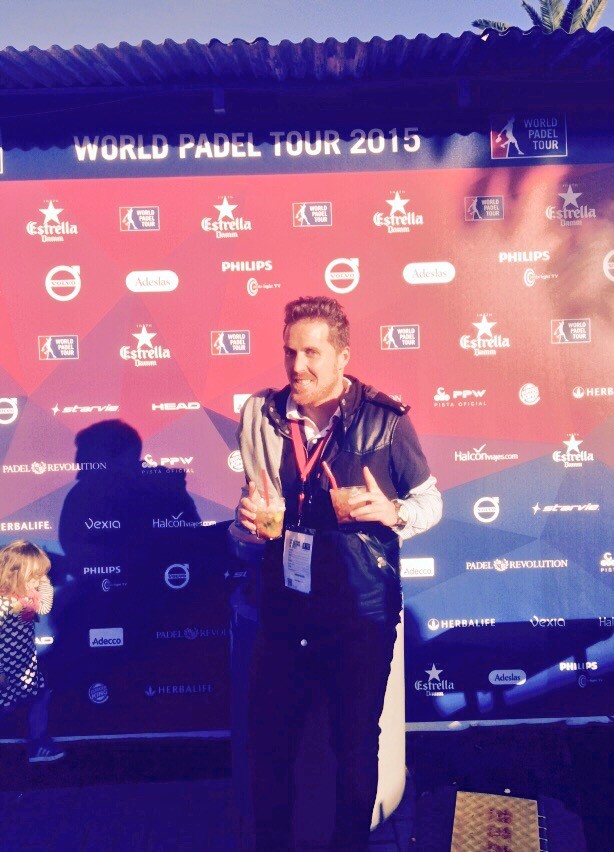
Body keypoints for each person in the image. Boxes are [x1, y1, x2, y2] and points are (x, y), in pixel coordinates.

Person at [235, 295, 442, 850]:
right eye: (290, 352)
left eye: (312, 353)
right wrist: (245, 523)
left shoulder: (385, 419)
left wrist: (392, 512)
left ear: (342, 357)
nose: (297, 366)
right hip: (285, 608)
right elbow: (253, 513)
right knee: (270, 744)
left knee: (353, 745)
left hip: (360, 613)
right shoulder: (264, 416)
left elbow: (431, 502)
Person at [0, 540, 64, 763]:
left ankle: (38, 744)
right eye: (35, 575)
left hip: (24, 666)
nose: (39, 579)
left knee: (40, 695)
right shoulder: (2, 604)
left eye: (42, 574)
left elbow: (44, 606)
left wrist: (43, 581)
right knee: (6, 707)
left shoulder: (27, 598)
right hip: (5, 671)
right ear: (15, 574)